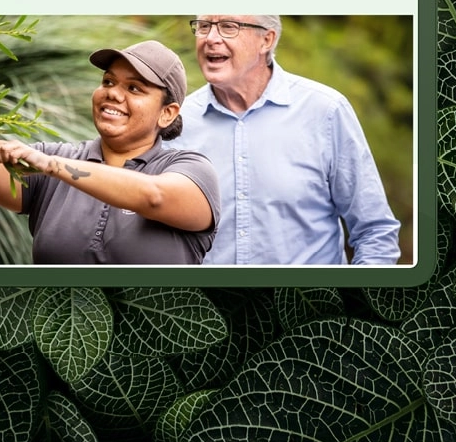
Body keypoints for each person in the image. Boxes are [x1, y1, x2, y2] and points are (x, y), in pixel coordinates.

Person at [0, 36, 220, 264]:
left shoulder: (191, 170)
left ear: (167, 114)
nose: (112, 93)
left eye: (134, 88)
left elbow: (154, 196)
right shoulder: (55, 159)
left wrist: (53, 166)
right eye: (108, 82)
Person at [171, 16, 400, 265]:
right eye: (204, 26)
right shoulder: (176, 121)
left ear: (266, 40)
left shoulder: (325, 111)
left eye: (229, 27)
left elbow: (375, 232)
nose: (211, 38)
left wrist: (358, 301)